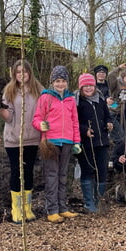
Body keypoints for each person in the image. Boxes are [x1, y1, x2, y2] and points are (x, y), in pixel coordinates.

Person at [0, 60, 44, 223]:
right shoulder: (9, 91)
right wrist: (1, 108)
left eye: (24, 71)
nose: (21, 75)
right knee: (17, 172)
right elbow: (8, 118)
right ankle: (16, 208)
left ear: (29, 73)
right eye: (18, 72)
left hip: (33, 138)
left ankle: (27, 207)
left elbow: (45, 110)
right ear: (14, 74)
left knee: (29, 171)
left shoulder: (39, 90)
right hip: (15, 139)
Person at [32, 65, 81, 223]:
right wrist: (40, 125)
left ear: (67, 82)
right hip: (50, 142)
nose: (60, 84)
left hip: (66, 141)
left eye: (63, 81)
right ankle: (52, 209)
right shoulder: (45, 97)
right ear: (52, 82)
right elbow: (36, 118)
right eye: (57, 81)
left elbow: (75, 122)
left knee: (63, 175)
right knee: (51, 175)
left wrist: (76, 141)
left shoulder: (70, 99)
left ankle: (62, 207)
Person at [75, 73, 113, 213]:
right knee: (87, 170)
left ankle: (99, 200)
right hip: (86, 143)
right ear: (81, 87)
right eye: (85, 86)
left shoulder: (100, 100)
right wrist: (85, 130)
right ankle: (88, 202)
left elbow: (107, 115)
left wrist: (109, 123)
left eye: (91, 85)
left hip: (102, 141)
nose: (89, 88)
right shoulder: (78, 102)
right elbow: (75, 122)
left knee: (101, 171)